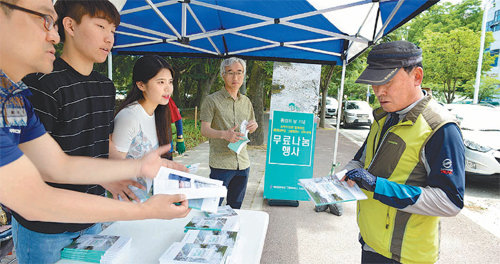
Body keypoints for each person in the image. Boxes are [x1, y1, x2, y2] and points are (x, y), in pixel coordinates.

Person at [0, 0, 190, 262]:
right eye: (44, 19)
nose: (54, 35)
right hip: (47, 229)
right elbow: (34, 198)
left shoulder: (12, 97)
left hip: (89, 218)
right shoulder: (35, 87)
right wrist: (145, 210)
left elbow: (58, 164)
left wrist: (137, 168)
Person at [341, 41, 465, 264]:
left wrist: (377, 185)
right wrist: (340, 177)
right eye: (374, 83)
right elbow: (361, 160)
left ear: (417, 76)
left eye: (387, 81)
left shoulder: (440, 128)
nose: (379, 91)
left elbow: (450, 202)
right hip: (370, 243)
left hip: (406, 256)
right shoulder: (385, 116)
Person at [110, 55, 177, 200]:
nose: (168, 88)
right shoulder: (129, 117)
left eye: (170, 82)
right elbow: (114, 166)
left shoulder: (158, 113)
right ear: (141, 85)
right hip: (126, 203)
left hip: (148, 201)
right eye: (161, 82)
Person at [200, 57, 258, 209]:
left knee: (235, 207)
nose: (235, 77)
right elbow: (204, 130)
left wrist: (254, 125)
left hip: (243, 163)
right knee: (213, 207)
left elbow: (252, 123)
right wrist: (224, 134)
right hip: (221, 164)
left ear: (244, 75)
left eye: (239, 72)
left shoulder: (246, 101)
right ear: (222, 75)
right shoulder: (211, 100)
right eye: (230, 73)